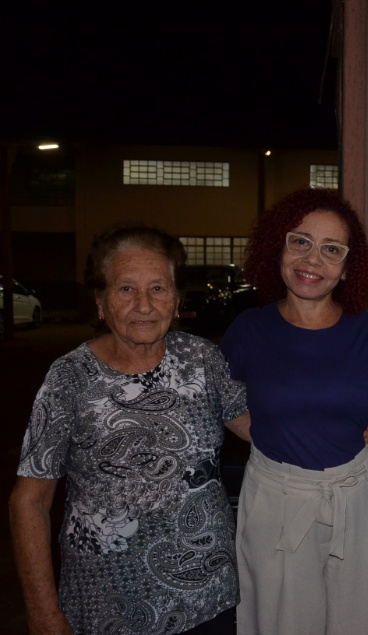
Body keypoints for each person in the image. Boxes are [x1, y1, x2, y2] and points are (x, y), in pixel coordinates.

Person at [9, 224, 249, 635]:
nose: (144, 304)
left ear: (176, 300)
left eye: (158, 288)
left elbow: (263, 430)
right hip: (108, 609)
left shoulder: (202, 360)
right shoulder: (70, 378)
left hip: (209, 600)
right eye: (125, 289)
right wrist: (44, 614)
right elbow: (29, 503)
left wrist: (349, 424)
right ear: (100, 302)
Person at [219, 188, 368, 635]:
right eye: (300, 241)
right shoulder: (249, 330)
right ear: (277, 248)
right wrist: (269, 432)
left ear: (346, 269)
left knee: (360, 621)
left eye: (331, 249)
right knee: (281, 622)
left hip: (355, 497)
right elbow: (219, 404)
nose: (312, 259)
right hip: (276, 498)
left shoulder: (363, 330)